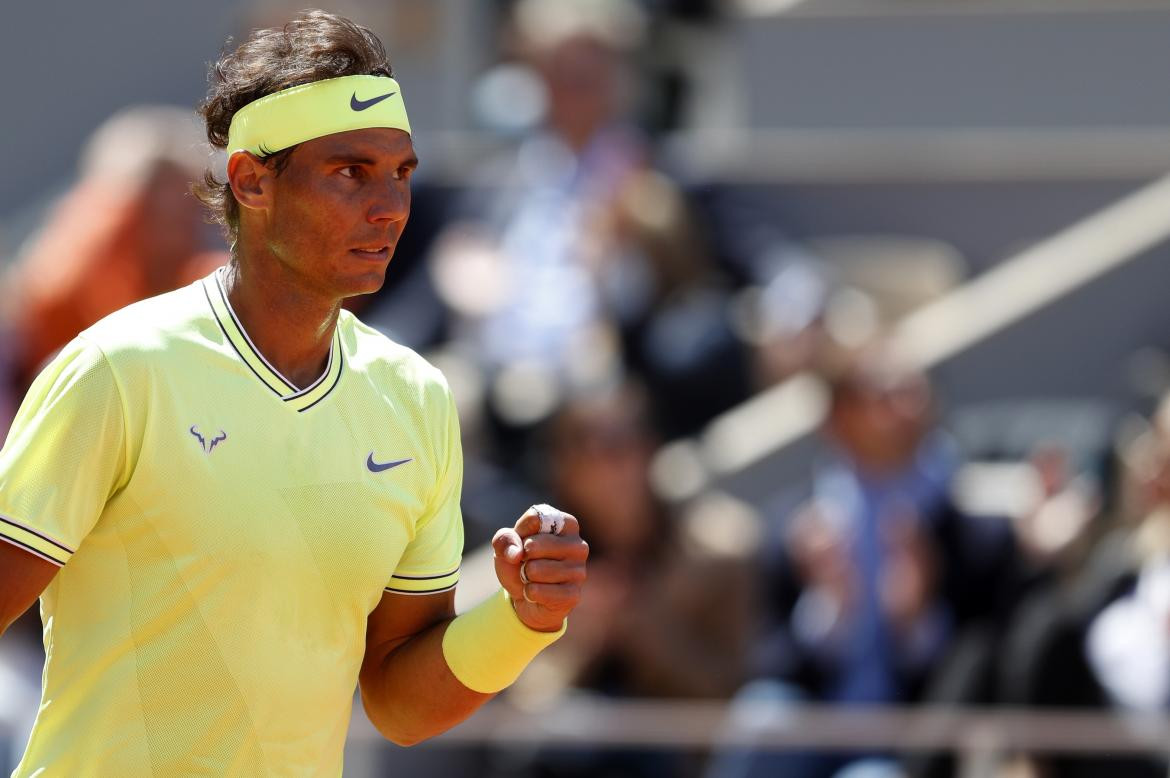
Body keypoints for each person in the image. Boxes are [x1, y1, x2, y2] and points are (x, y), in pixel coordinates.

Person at [0, 11, 587, 776]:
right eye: (350, 172)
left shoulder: (415, 398)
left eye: (400, 173)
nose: (390, 207)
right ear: (251, 181)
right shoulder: (119, 369)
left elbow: (399, 703)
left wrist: (523, 619)